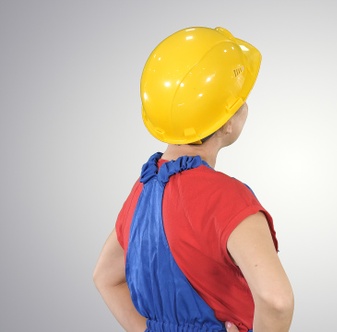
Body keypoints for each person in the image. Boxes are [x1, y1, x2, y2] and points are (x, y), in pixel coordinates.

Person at [93, 26, 294, 332]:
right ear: (226, 124)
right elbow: (276, 300)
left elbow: (104, 277)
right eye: (241, 101)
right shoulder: (229, 199)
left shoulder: (142, 192)